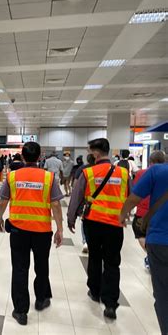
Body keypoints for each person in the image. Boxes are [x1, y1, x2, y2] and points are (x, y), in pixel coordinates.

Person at [0, 142, 63, 326]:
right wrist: (60, 228)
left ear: (23, 156)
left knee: (19, 268)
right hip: (42, 231)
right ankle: (41, 299)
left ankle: (21, 311)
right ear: (40, 156)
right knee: (41, 266)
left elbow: (3, 201)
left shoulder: (12, 176)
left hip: (18, 230)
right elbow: (56, 205)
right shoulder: (49, 178)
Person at [67, 138, 129, 320]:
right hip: (115, 224)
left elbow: (77, 197)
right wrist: (124, 216)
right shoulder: (123, 173)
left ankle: (94, 290)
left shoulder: (89, 172)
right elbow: (130, 197)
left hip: (93, 222)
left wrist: (71, 218)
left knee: (95, 257)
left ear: (95, 153)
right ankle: (110, 303)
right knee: (112, 262)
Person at [119, 157, 168, 334]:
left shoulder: (156, 172)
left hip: (160, 240)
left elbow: (133, 198)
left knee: (163, 294)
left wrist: (122, 215)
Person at [129, 151, 166, 270]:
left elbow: (135, 191)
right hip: (160, 214)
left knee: (140, 234)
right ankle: (152, 256)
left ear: (150, 161)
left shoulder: (142, 173)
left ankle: (150, 255)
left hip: (142, 212)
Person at [73, 154, 96, 253]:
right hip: (100, 201)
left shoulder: (83, 169)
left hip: (86, 200)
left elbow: (75, 185)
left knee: (84, 220)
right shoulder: (103, 169)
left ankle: (85, 241)